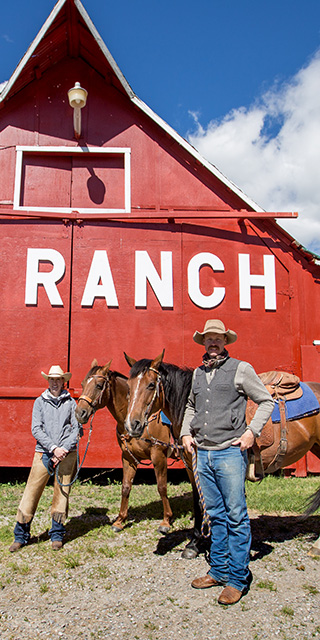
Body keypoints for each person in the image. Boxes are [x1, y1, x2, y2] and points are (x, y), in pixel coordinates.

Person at [181, 319, 274, 605]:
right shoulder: (197, 373)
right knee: (215, 515)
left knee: (236, 515)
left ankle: (237, 578)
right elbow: (190, 407)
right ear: (203, 342)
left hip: (229, 453)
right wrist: (185, 432)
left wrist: (251, 432)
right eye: (208, 338)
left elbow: (266, 401)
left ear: (225, 342)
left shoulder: (241, 369)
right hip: (204, 454)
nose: (213, 343)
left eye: (218, 338)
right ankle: (219, 570)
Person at [9, 365, 80, 552]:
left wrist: (64, 448)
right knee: (31, 492)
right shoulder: (40, 402)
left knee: (62, 494)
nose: (55, 383)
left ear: (63, 382)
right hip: (44, 453)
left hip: (67, 454)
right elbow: (36, 429)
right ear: (48, 381)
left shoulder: (71, 403)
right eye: (52, 379)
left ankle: (57, 535)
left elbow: (77, 429)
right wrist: (54, 448)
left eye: (58, 380)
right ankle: (21, 536)